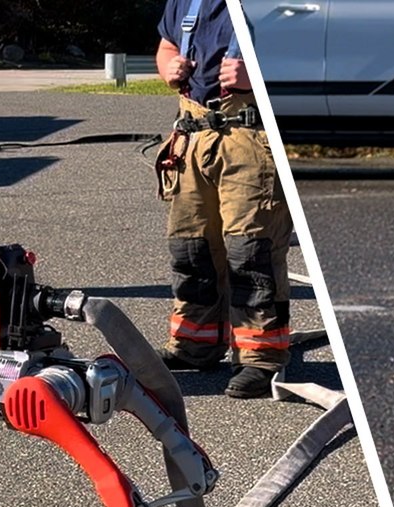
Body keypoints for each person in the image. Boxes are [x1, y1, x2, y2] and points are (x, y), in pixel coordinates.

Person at [155, 0, 293, 399]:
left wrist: (259, 74)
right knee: (191, 248)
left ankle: (261, 358)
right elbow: (167, 43)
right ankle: (195, 344)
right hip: (194, 135)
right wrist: (168, 66)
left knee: (251, 253)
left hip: (249, 137)